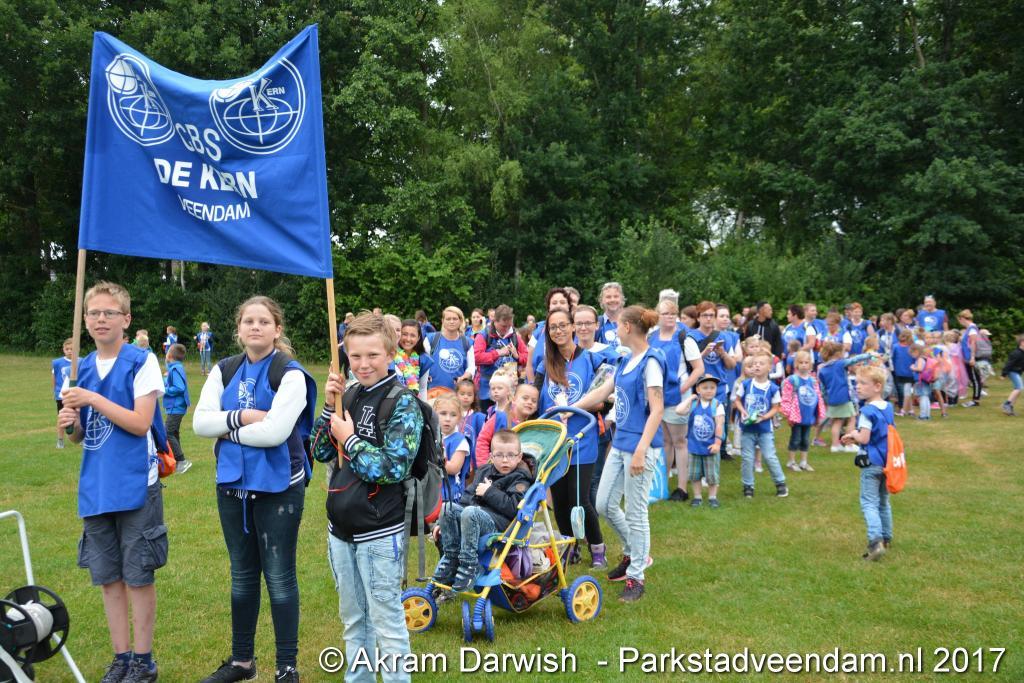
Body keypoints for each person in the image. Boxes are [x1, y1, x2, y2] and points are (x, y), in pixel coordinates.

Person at [193, 296, 317, 683]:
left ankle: (286, 667)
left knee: (279, 579)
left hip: (280, 489)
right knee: (242, 576)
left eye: (264, 321)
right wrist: (245, 416)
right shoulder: (225, 369)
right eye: (248, 320)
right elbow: (199, 423)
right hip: (233, 487)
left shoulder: (290, 374)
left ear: (277, 329)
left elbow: (275, 433)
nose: (255, 326)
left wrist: (225, 430)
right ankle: (242, 662)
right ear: (239, 328)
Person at [57, 281, 167, 683]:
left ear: (126, 319)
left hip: (136, 482)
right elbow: (80, 436)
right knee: (108, 577)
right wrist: (69, 423)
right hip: (97, 484)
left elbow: (139, 423)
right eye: (93, 313)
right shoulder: (78, 368)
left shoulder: (142, 361)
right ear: (84, 320)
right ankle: (121, 658)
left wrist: (92, 399)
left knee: (138, 575)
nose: (101, 319)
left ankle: (143, 661)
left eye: (109, 313)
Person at [311, 312, 422, 683]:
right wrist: (330, 406)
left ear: (390, 353)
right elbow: (319, 451)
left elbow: (393, 468)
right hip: (341, 530)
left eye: (372, 355)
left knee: (386, 623)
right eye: (355, 356)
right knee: (354, 619)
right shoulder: (350, 394)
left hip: (379, 532)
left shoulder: (402, 403)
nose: (363, 364)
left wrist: (351, 439)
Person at [575, 306, 665, 603]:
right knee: (603, 503)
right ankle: (636, 553)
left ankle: (636, 576)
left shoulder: (651, 362)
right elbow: (602, 392)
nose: (614, 330)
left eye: (618, 326)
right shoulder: (626, 360)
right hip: (620, 443)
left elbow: (657, 410)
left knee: (636, 512)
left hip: (640, 447)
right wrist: (570, 409)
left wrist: (641, 450)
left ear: (627, 327)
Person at [534, 309, 605, 567]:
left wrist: (579, 407)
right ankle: (569, 546)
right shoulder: (546, 363)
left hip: (582, 438)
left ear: (573, 327)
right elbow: (536, 398)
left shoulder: (590, 359)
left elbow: (603, 399)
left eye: (563, 325)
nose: (558, 331)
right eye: (553, 327)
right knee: (561, 500)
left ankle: (597, 548)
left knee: (580, 499)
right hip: (554, 441)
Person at [431, 429, 533, 592]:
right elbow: (467, 498)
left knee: (471, 512)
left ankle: (469, 565)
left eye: (511, 455)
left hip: (500, 525)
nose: (505, 460)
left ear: (519, 457)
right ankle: (451, 559)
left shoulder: (520, 478)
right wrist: (443, 523)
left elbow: (514, 508)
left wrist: (489, 492)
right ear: (491, 456)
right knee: (447, 507)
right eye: (499, 455)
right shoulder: (485, 471)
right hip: (474, 516)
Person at [841, 365, 895, 561]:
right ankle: (886, 537)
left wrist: (852, 435)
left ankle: (875, 542)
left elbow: (864, 438)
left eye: (863, 383)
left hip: (871, 462)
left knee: (869, 502)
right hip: (887, 461)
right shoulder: (888, 407)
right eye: (857, 383)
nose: (858, 387)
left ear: (877, 386)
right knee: (883, 501)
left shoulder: (867, 412)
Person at [733, 351, 788, 499]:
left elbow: (776, 408)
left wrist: (764, 417)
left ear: (769, 367)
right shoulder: (745, 384)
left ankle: (780, 483)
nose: (756, 366)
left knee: (770, 456)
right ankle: (748, 486)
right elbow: (737, 401)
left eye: (761, 364)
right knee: (747, 458)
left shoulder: (773, 388)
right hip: (747, 429)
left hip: (764, 429)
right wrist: (743, 411)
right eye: (754, 364)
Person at [649, 299, 686, 498]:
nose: (670, 317)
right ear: (658, 316)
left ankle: (682, 488)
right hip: (657, 397)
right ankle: (663, 483)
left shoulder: (683, 337)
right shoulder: (652, 337)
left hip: (677, 397)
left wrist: (682, 390)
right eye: (665, 313)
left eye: (673, 313)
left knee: (679, 441)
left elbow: (698, 368)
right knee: (665, 440)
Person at [676, 375, 725, 507]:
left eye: (712, 388)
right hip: (694, 446)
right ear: (698, 389)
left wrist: (717, 443)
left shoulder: (717, 405)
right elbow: (679, 410)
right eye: (705, 388)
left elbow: (719, 425)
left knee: (712, 475)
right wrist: (689, 398)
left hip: (710, 446)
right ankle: (697, 497)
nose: (709, 390)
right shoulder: (693, 404)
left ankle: (712, 497)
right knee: (694, 474)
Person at [815, 341, 870, 449]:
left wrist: (827, 400)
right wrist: (868, 355)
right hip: (843, 398)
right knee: (852, 419)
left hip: (832, 399)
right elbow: (854, 360)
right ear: (837, 353)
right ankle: (849, 445)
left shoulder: (822, 370)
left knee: (837, 422)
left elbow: (823, 388)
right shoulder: (840, 363)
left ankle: (835, 445)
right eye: (842, 352)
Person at [473, 304, 527, 410]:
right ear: (495, 321)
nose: (507, 329)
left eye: (509, 325)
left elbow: (527, 358)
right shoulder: (484, 335)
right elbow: (476, 357)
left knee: (507, 419)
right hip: (487, 391)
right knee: (488, 418)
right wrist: (497, 353)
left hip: (509, 392)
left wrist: (517, 356)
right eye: (503, 326)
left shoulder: (515, 336)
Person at [780, 351, 825, 472]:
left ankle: (804, 462)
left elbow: (818, 397)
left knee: (805, 440)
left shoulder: (813, 381)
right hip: (796, 416)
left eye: (806, 362)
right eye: (801, 362)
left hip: (808, 415)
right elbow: (786, 397)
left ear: (810, 364)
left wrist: (819, 414)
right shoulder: (792, 380)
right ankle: (791, 461)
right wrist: (788, 414)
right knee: (795, 439)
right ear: (796, 364)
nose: (804, 365)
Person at [474, 381, 538, 467]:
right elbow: (483, 441)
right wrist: (484, 467)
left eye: (534, 401)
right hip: (494, 470)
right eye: (525, 398)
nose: (530, 402)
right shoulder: (500, 417)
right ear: (514, 399)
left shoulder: (532, 427)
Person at [424, 306, 475, 393]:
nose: (451, 322)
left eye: (455, 319)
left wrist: (464, 378)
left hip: (457, 393)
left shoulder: (467, 342)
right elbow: (421, 362)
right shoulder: (431, 339)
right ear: (443, 321)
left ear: (460, 321)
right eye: (448, 319)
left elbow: (471, 367)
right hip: (433, 392)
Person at [526, 287, 572, 383]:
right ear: (549, 307)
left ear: (569, 306)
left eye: (562, 302)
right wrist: (532, 386)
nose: (558, 305)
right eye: (554, 303)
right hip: (539, 384)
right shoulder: (538, 331)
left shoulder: (576, 329)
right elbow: (529, 365)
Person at [434, 394, 471, 504]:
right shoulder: (431, 436)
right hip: (431, 493)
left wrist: (432, 458)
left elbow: (454, 468)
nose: (448, 419)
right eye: (443, 413)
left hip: (449, 496)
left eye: (453, 415)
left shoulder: (460, 441)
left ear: (459, 418)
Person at [162, 343, 192, 474]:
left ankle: (182, 461)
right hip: (176, 406)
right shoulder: (175, 368)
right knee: (173, 433)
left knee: (167, 432)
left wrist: (165, 389)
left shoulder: (175, 369)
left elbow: (179, 387)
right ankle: (177, 460)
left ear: (169, 356)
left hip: (176, 407)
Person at [394, 319, 433, 399]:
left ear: (418, 338)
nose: (408, 339)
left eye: (412, 335)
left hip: (412, 402)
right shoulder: (390, 355)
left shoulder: (424, 360)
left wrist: (422, 406)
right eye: (404, 334)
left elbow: (422, 389)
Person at [957, 310, 983, 407]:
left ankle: (976, 400)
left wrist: (972, 357)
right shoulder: (969, 329)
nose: (960, 323)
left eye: (960, 320)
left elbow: (973, 343)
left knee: (975, 379)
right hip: (967, 357)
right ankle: (976, 398)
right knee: (973, 378)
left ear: (962, 319)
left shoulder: (972, 329)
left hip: (970, 357)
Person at [52, 337, 73, 449]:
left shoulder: (81, 361)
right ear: (63, 349)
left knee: (79, 416)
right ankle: (60, 440)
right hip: (62, 395)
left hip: (76, 394)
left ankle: (82, 438)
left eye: (72, 349)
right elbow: (54, 377)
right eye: (67, 349)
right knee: (62, 417)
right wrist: (55, 391)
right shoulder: (57, 362)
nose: (69, 351)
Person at [596, 282, 626, 349]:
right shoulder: (596, 324)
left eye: (616, 296)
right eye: (608, 297)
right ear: (601, 301)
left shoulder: (631, 322)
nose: (612, 300)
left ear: (622, 299)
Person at [1001, 334, 1024, 416]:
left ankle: (1010, 408)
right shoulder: (1016, 353)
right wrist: (1003, 374)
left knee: (1018, 390)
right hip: (1012, 372)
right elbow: (1009, 364)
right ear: (1022, 343)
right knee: (1019, 388)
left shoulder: (1022, 353)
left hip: (1017, 372)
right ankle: (1006, 404)